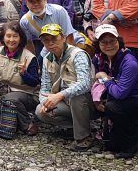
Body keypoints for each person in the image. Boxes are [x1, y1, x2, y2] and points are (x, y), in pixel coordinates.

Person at [92, 24, 138, 158]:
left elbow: (120, 92)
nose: (108, 45)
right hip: (124, 98)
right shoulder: (100, 59)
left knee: (113, 107)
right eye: (104, 42)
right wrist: (97, 99)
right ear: (98, 44)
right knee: (111, 145)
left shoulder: (129, 62)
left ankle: (129, 147)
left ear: (119, 41)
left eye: (112, 41)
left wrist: (105, 78)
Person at [35, 24, 94, 152]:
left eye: (54, 39)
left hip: (88, 102)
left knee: (75, 97)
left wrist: (61, 95)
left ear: (63, 38)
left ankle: (83, 138)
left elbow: (85, 84)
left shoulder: (78, 54)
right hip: (64, 102)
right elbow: (45, 87)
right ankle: (74, 127)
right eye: (46, 40)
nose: (50, 43)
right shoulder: (46, 59)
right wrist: (44, 103)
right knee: (40, 110)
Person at [0, 21, 40, 136]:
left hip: (27, 94)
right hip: (3, 92)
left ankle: (27, 124)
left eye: (15, 36)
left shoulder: (29, 57)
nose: (11, 40)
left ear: (21, 38)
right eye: (8, 36)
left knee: (9, 99)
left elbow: (35, 83)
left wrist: (24, 73)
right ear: (3, 37)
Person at [19, 0, 83, 57]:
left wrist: (66, 59)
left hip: (73, 44)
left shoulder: (59, 11)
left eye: (38, 0)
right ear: (26, 3)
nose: (36, 4)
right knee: (40, 64)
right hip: (50, 46)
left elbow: (69, 37)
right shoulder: (25, 21)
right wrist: (33, 62)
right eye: (31, 1)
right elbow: (28, 43)